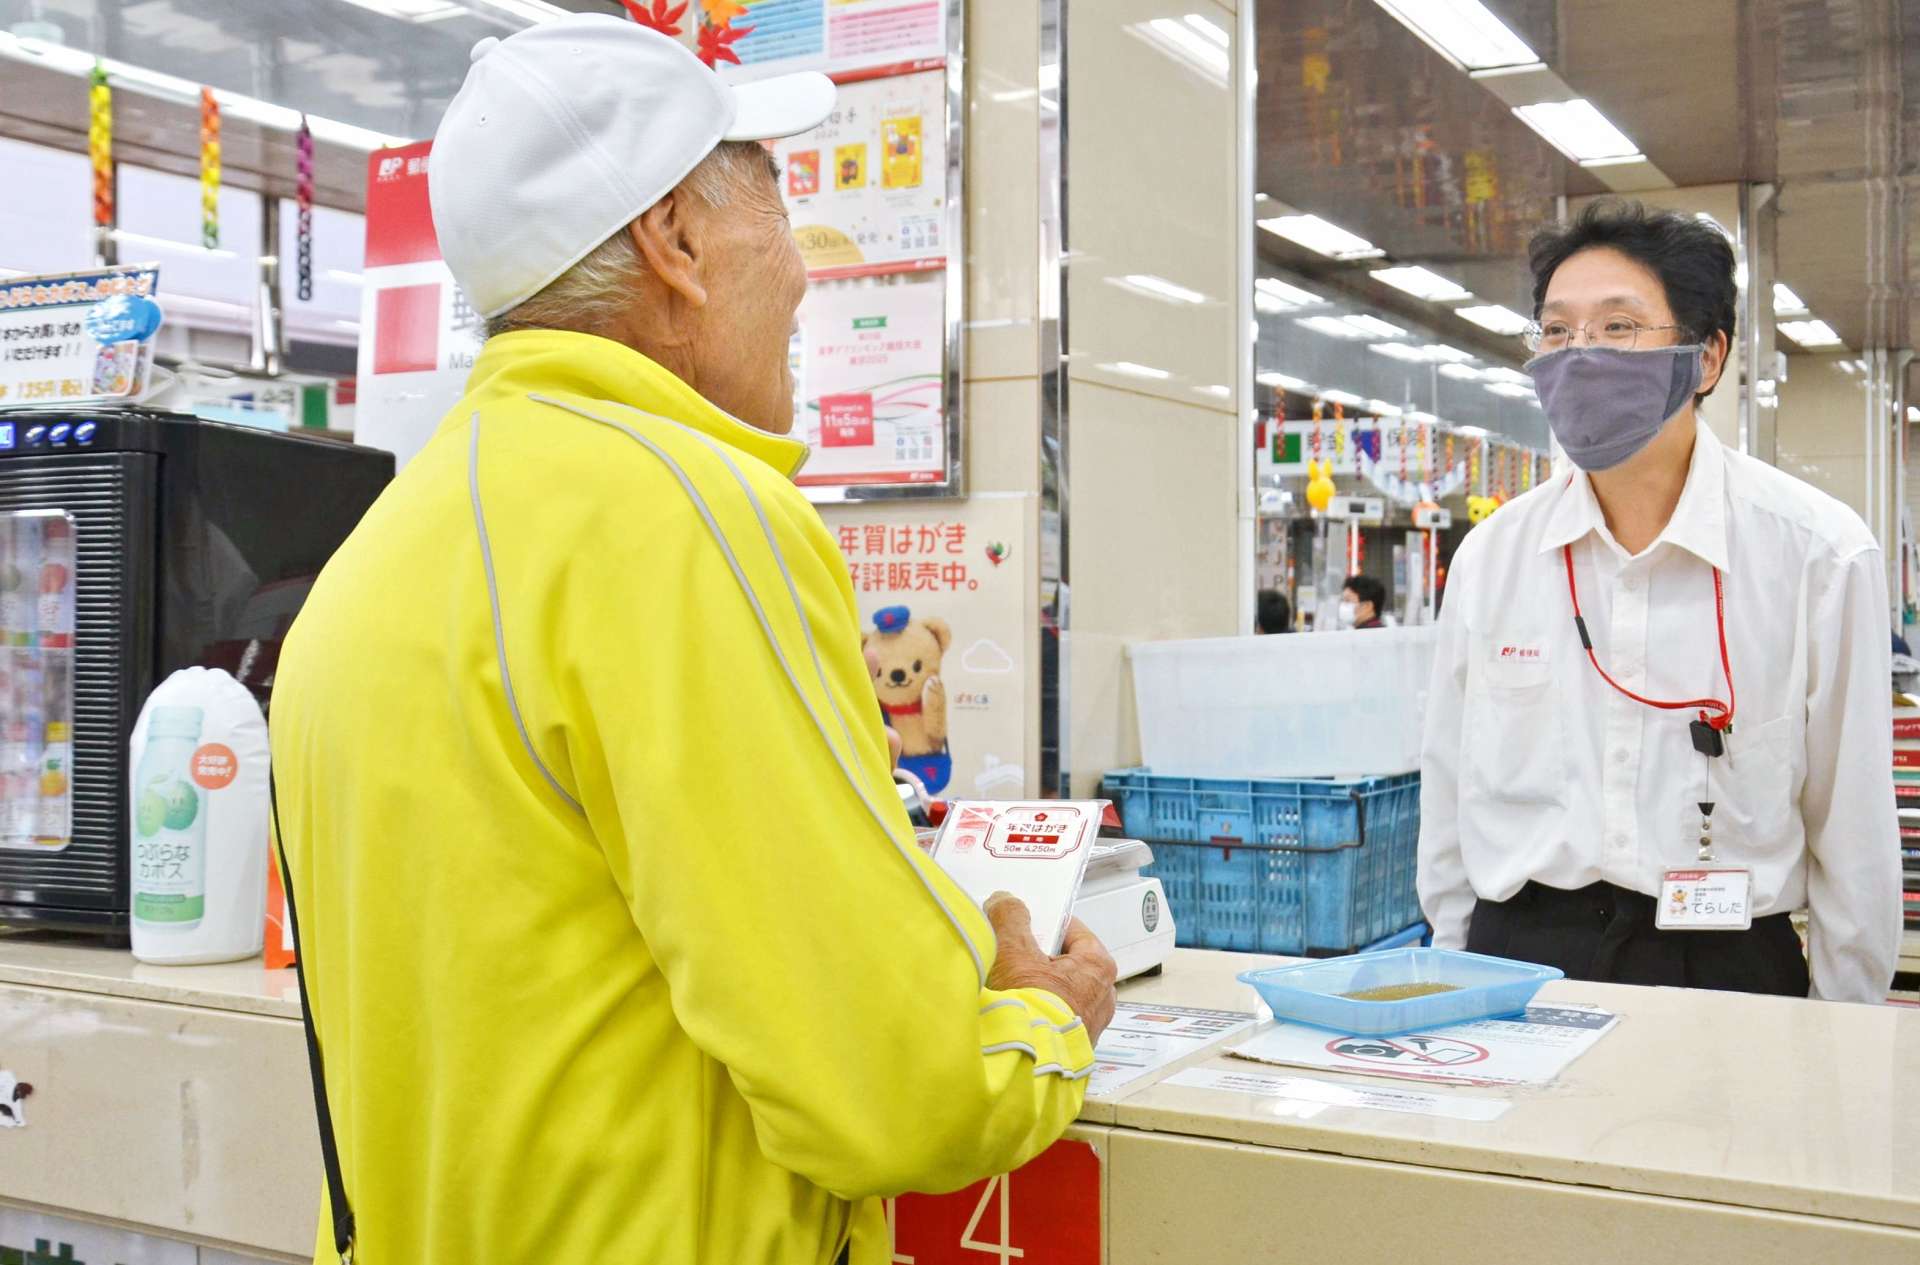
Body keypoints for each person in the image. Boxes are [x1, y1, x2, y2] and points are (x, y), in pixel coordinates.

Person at [271, 18, 1117, 1265]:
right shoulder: (688, 516)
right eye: (773, 200)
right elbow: (896, 1090)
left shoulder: (374, 556)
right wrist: (1047, 1018)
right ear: (672, 241)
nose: (804, 270)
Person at [1419, 200, 1899, 1002]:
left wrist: (1844, 1026)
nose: (1579, 354)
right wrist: (1450, 972)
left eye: (1618, 327)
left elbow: (1852, 826)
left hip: (1725, 966)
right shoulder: (1493, 558)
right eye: (1556, 330)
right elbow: (1447, 793)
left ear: (1706, 357)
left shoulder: (1816, 554)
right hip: (1518, 960)